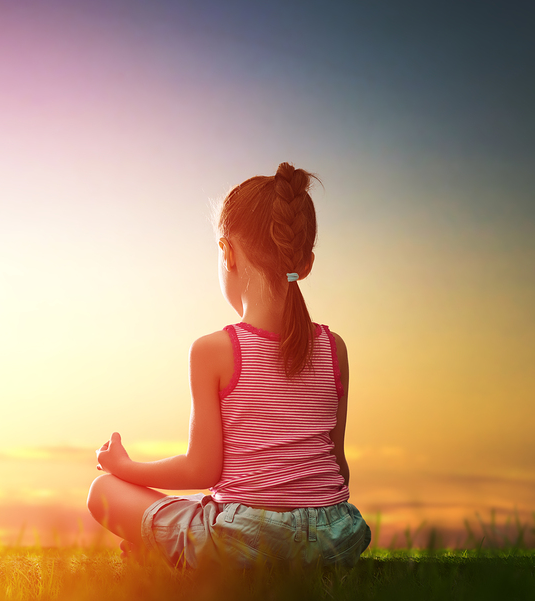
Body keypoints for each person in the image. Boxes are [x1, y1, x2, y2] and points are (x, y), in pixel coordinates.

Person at [87, 163, 371, 569]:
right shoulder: (334, 348)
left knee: (102, 490)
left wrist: (125, 467)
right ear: (305, 263)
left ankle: (167, 550)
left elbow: (202, 468)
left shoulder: (214, 350)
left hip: (246, 540)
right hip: (334, 538)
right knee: (218, 512)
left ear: (227, 252)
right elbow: (337, 467)